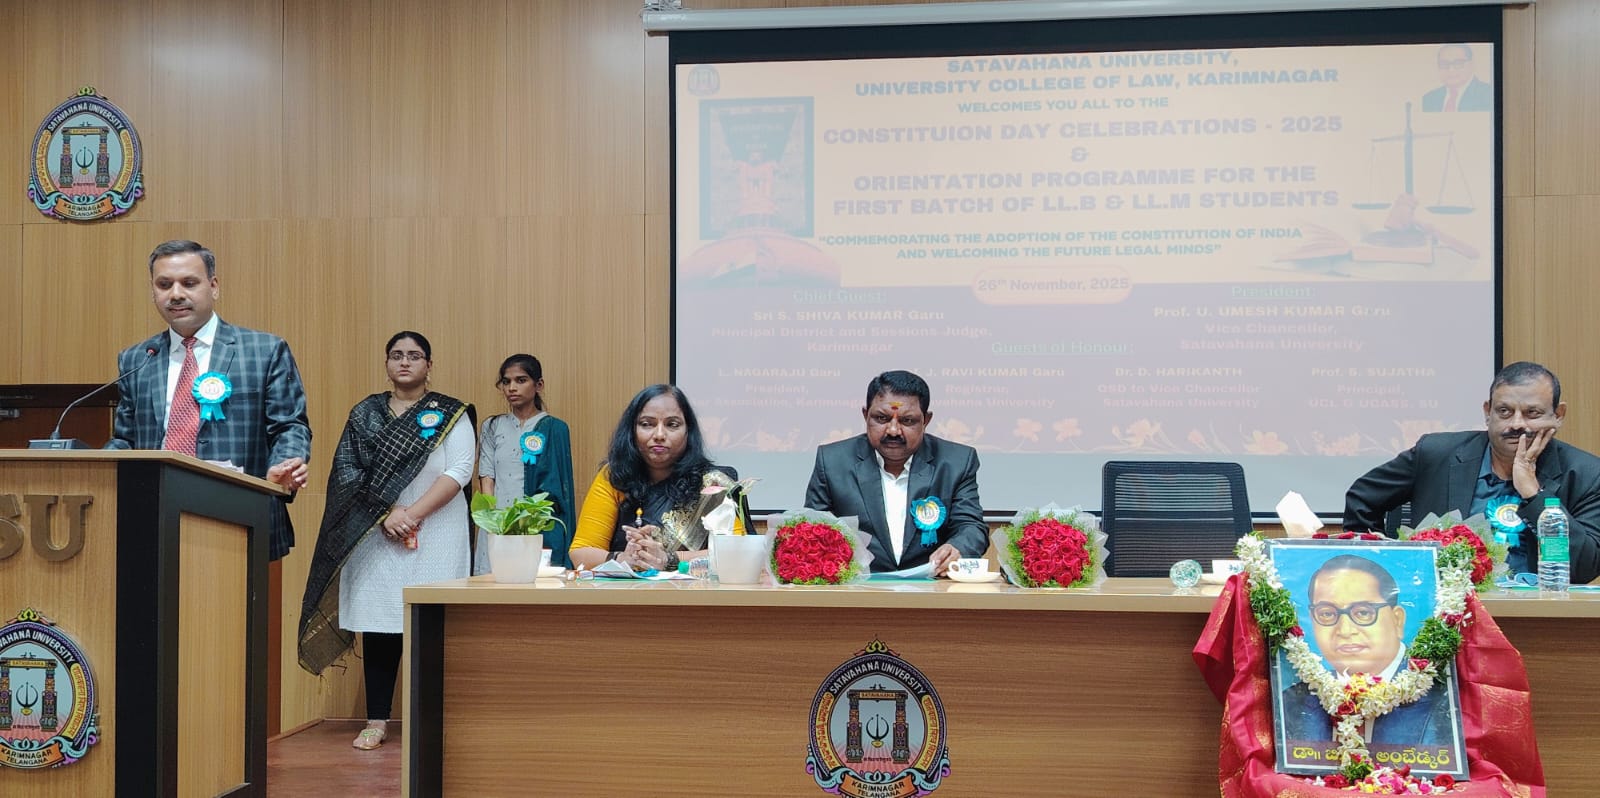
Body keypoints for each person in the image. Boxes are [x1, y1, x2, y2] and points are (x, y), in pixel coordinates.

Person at [296, 331, 475, 751]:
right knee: (380, 626)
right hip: (375, 531)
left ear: (429, 364)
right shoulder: (366, 414)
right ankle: (376, 721)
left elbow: (460, 469)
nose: (405, 362)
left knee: (431, 626)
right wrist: (388, 513)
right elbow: (347, 473)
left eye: (414, 355)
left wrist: (412, 514)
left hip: (437, 533)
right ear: (387, 363)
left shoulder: (449, 413)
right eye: (396, 355)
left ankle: (428, 722)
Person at [106, 240, 311, 560]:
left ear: (213, 286)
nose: (176, 294)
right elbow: (126, 439)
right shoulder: (138, 358)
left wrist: (283, 466)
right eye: (164, 285)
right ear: (153, 291)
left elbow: (289, 425)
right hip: (154, 517)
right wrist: (96, 467)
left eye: (189, 283)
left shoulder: (264, 351)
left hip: (242, 516)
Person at [1344, 361, 1600, 583]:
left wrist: (1534, 494)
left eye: (1532, 413)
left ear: (1558, 415)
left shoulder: (1586, 474)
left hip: (1539, 614)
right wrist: (1378, 569)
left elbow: (1584, 568)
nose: (1517, 424)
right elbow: (1362, 498)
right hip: (1446, 608)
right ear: (1488, 412)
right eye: (1504, 411)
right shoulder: (1436, 453)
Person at [803, 370, 988, 575]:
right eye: (881, 418)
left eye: (907, 420)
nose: (893, 430)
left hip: (933, 585)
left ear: (926, 420)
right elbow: (812, 530)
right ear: (865, 415)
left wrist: (958, 548)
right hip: (858, 587)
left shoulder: (956, 462)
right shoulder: (833, 462)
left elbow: (971, 526)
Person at [1279, 555, 1454, 746]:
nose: (1345, 630)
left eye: (1363, 612)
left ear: (1397, 620)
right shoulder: (1291, 703)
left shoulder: (1444, 699)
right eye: (1327, 614)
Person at [569, 384, 742, 572]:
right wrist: (623, 558)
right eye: (647, 424)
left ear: (688, 431)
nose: (659, 435)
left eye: (672, 425)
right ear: (632, 430)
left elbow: (737, 552)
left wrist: (669, 559)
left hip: (692, 590)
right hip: (624, 589)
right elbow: (580, 554)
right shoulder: (614, 478)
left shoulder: (711, 484)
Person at [475, 354, 575, 571]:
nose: (512, 388)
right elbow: (487, 476)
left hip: (536, 524)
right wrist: (494, 519)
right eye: (506, 381)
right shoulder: (492, 426)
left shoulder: (554, 428)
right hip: (498, 522)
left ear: (538, 385)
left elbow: (559, 487)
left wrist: (531, 519)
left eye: (521, 380)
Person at [1421, 44, 1491, 113]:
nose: (1451, 70)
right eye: (1444, 64)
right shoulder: (1429, 99)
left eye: (1458, 63)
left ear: (1471, 64)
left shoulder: (1488, 94)